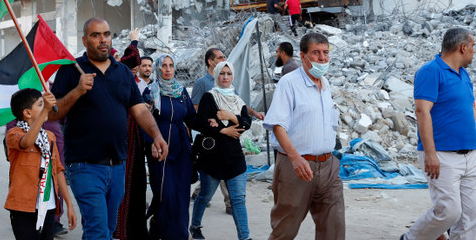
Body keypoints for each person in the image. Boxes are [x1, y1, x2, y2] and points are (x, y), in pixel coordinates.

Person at [49, 17, 168, 240]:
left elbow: (140, 110)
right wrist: (77, 91)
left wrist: (156, 135)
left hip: (117, 166)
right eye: (95, 35)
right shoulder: (71, 70)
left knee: (108, 229)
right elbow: (53, 113)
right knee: (97, 231)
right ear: (85, 40)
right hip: (85, 165)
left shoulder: (122, 72)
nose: (103, 40)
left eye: (106, 34)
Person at [401, 28, 476, 240]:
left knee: (471, 214)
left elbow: (471, 109)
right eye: (473, 46)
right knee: (449, 212)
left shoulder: (463, 74)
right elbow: (422, 111)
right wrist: (430, 154)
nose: (474, 51)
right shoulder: (431, 72)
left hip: (468, 155)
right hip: (442, 155)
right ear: (463, 47)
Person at [263, 32, 345, 240]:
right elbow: (278, 125)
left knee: (334, 229)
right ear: (303, 56)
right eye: (316, 53)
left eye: (325, 52)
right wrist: (295, 158)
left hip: (328, 168)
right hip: (296, 167)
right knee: (285, 230)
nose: (322, 58)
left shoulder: (325, 84)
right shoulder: (289, 83)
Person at [190, 61, 252, 240]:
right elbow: (200, 122)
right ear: (216, 75)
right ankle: (195, 226)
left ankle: (245, 237)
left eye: (229, 74)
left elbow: (246, 123)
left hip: (234, 157)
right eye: (222, 73)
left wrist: (231, 117)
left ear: (233, 76)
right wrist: (223, 130)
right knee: (204, 196)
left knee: (238, 200)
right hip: (213, 158)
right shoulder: (209, 97)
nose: (225, 77)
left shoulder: (236, 98)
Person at [5, 88, 76, 240]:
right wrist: (46, 111)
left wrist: (69, 204)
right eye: (40, 104)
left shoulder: (49, 137)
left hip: (48, 206)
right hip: (23, 208)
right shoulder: (14, 133)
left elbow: (57, 171)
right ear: (27, 113)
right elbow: (27, 142)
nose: (45, 107)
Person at [143, 54, 196, 240]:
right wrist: (150, 142)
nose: (167, 69)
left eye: (171, 65)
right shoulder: (150, 91)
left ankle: (180, 235)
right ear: (158, 68)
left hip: (181, 149)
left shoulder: (181, 91)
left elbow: (191, 117)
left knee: (181, 196)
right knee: (166, 195)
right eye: (164, 66)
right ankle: (160, 227)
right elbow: (143, 120)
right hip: (160, 148)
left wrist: (213, 122)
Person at [115, 29, 150, 240]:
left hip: (135, 141)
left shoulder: (137, 85)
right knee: (124, 188)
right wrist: (134, 41)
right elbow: (130, 59)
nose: (138, 69)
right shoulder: (120, 82)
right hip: (123, 141)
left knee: (136, 187)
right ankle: (121, 230)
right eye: (136, 66)